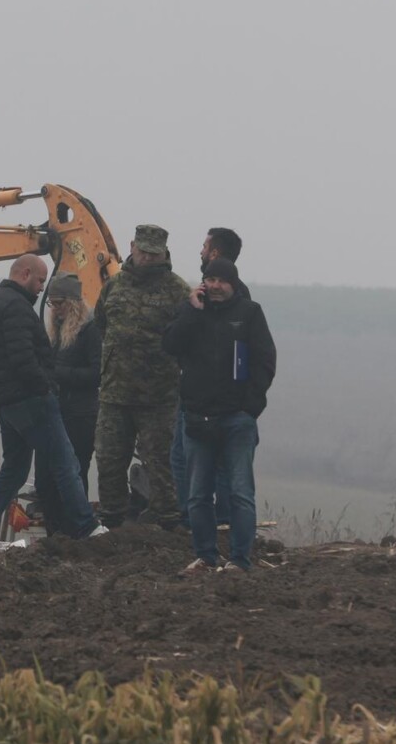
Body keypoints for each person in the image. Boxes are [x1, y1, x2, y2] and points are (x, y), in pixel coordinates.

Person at [0, 255, 106, 549]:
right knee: (65, 462)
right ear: (25, 273)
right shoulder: (16, 307)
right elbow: (23, 359)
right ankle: (87, 526)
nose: (42, 289)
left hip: (5, 401)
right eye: (40, 281)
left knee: (14, 469)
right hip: (31, 398)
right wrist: (46, 386)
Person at [163, 258, 276, 573]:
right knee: (198, 495)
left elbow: (265, 361)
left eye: (220, 281)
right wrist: (190, 311)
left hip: (237, 420)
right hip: (198, 420)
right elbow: (170, 344)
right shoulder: (192, 313)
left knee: (240, 493)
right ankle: (205, 557)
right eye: (208, 280)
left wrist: (250, 407)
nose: (214, 286)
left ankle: (240, 560)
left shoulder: (250, 314)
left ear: (233, 284)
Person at [93, 224, 192, 529]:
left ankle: (169, 523)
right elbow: (101, 323)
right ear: (132, 246)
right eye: (142, 251)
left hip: (158, 398)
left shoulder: (178, 291)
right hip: (114, 394)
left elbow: (189, 337)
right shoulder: (114, 286)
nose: (147, 258)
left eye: (153, 253)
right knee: (109, 459)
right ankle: (112, 522)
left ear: (163, 253)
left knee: (160, 463)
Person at [171, 227, 250, 525]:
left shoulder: (230, 300)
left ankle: (200, 519)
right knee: (191, 457)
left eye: (204, 246)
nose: (200, 252)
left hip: (211, 399)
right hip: (200, 393)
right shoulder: (209, 296)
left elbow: (246, 356)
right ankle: (202, 517)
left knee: (193, 458)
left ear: (215, 253)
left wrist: (246, 401)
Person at [42, 273, 101, 496]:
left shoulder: (90, 330)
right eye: (52, 303)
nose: (55, 308)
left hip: (81, 414)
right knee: (53, 473)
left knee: (76, 470)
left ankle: (77, 524)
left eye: (59, 303)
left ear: (73, 303)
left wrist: (60, 374)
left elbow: (96, 374)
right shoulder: (55, 330)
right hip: (59, 411)